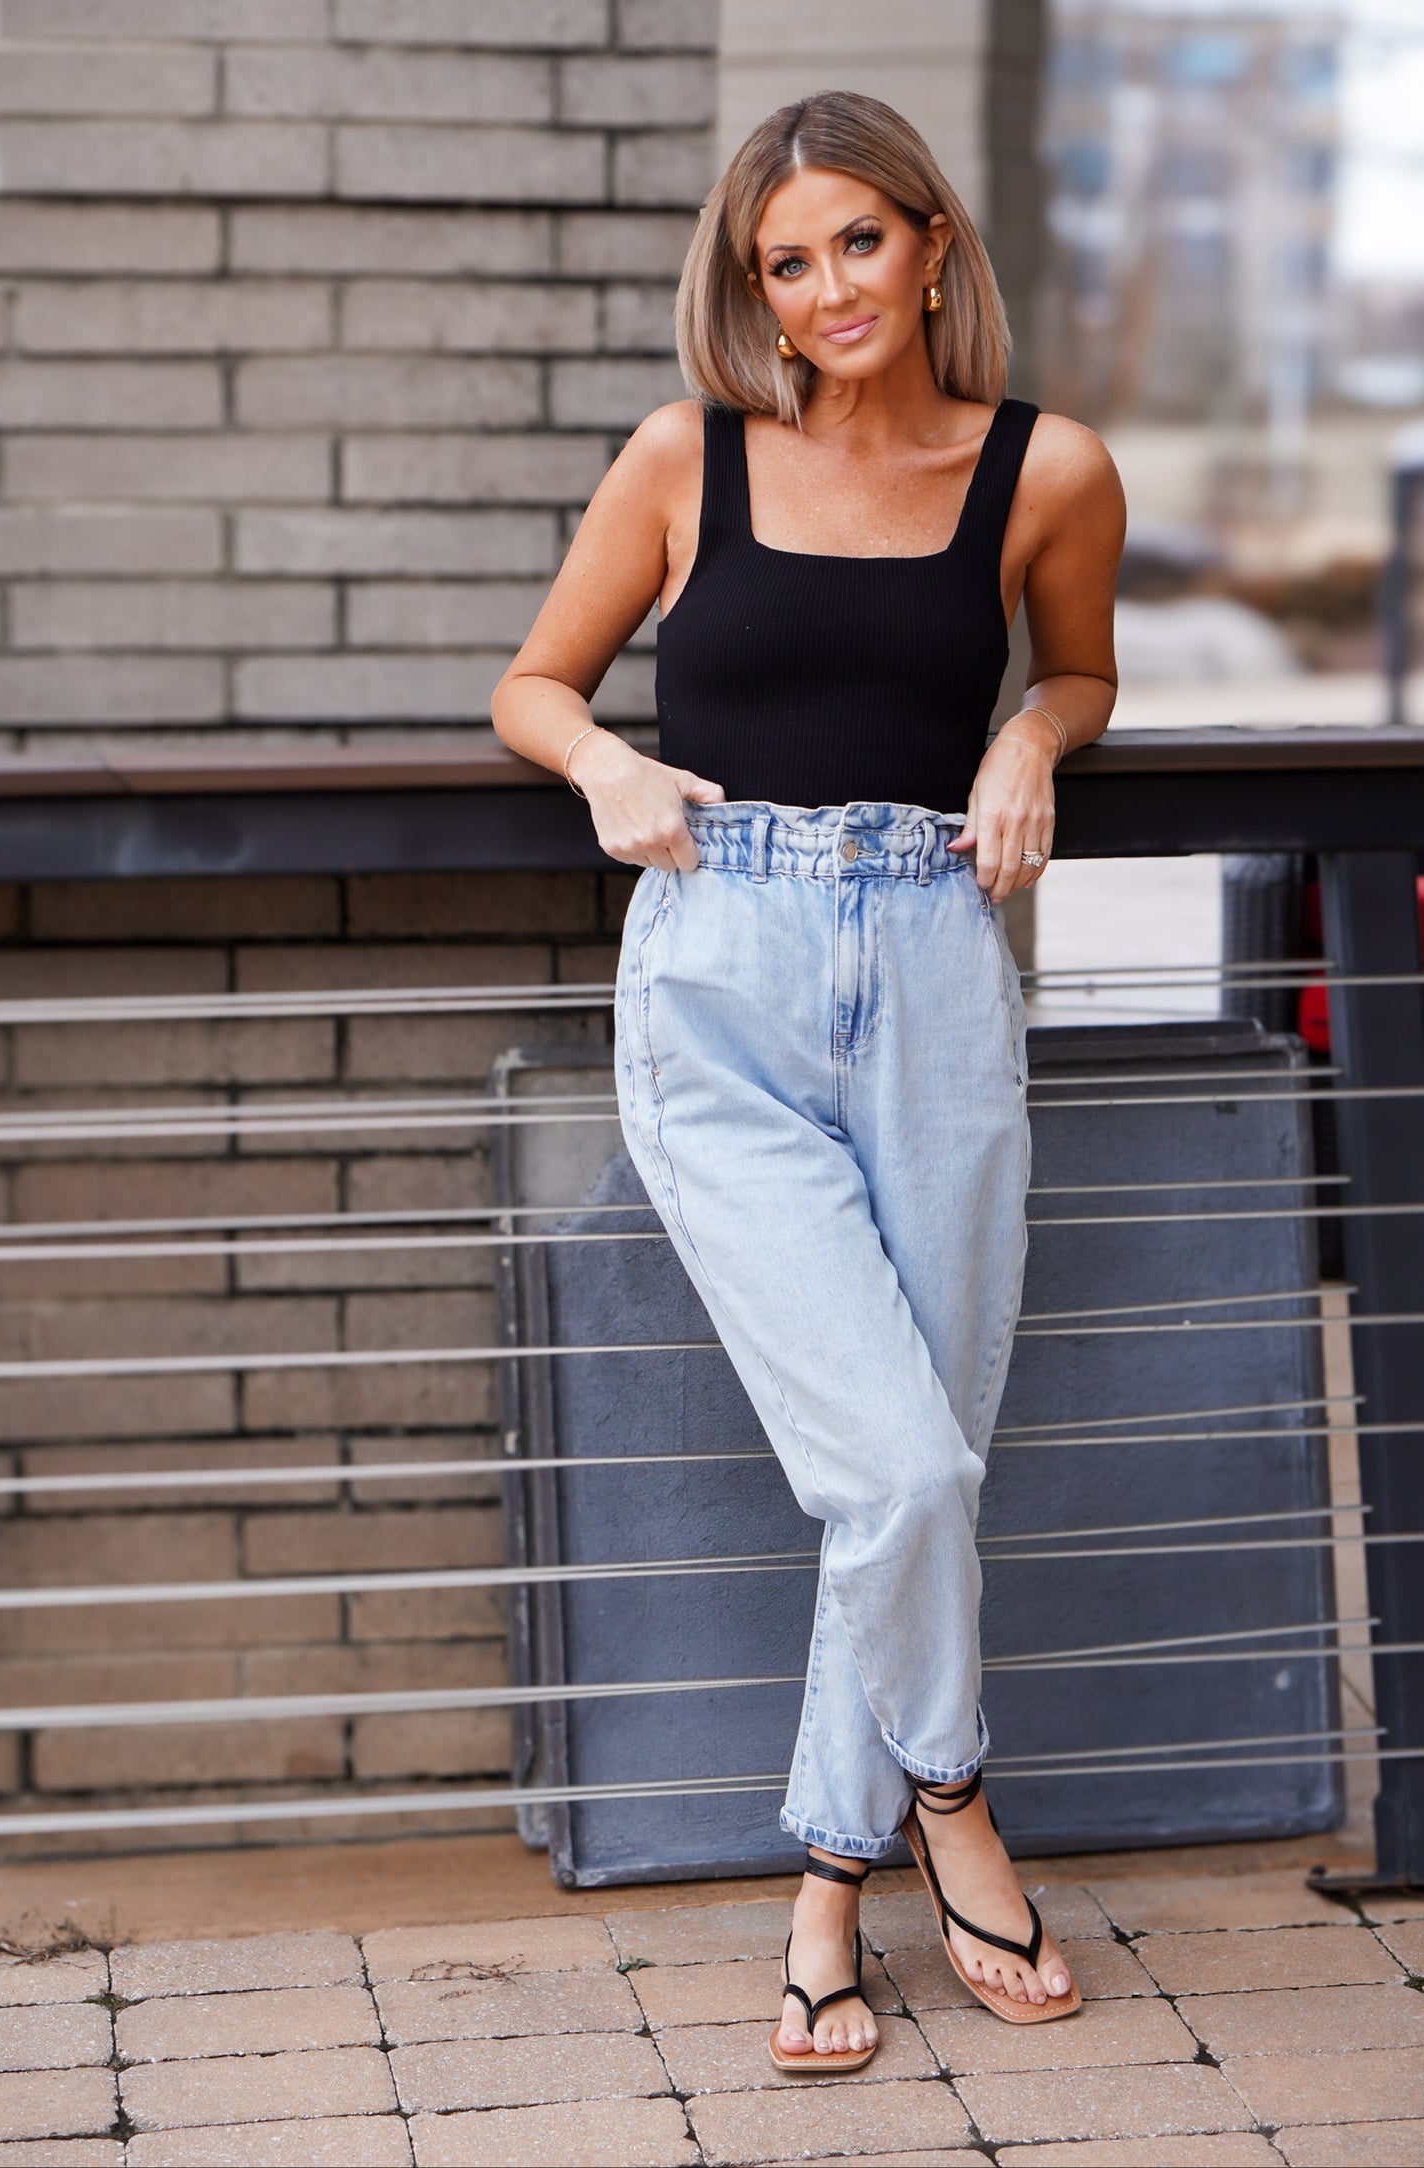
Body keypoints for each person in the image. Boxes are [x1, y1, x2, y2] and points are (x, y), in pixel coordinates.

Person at [493, 89, 1125, 2074]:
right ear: (750, 286)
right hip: (722, 974)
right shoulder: (689, 455)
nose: (828, 286)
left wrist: (1032, 732)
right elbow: (534, 682)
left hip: (936, 958)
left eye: (860, 239)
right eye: (788, 257)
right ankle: (955, 1793)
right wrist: (600, 765)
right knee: (904, 1466)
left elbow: (1087, 667)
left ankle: (825, 1894)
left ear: (935, 244)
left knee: (910, 1465)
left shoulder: (1048, 467)